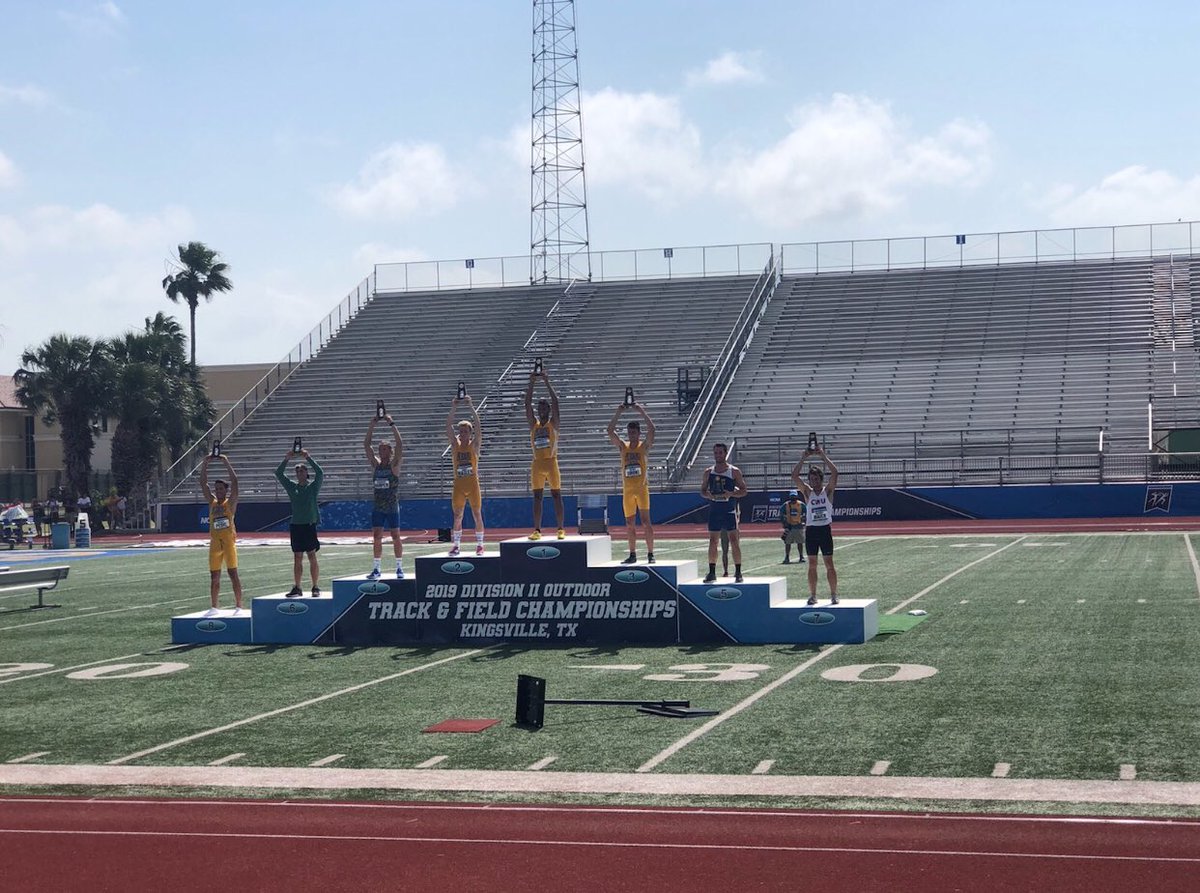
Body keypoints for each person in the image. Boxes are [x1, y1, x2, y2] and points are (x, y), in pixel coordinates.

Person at [607, 401, 656, 564]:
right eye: (629, 433)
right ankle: (633, 553)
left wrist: (641, 411)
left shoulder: (644, 447)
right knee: (629, 523)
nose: (631, 435)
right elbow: (610, 431)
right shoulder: (623, 447)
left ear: (638, 433)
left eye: (634, 433)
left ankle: (650, 554)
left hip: (642, 489)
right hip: (628, 491)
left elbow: (652, 430)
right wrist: (618, 412)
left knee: (646, 522)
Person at [792, 446, 839, 605]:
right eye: (812, 479)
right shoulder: (807, 492)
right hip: (811, 532)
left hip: (825, 531)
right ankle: (813, 595)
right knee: (812, 565)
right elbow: (795, 476)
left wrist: (823, 456)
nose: (814, 482)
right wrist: (803, 458)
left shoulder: (828, 492)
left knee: (829, 564)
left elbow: (835, 473)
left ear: (821, 479)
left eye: (817, 479)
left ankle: (834, 595)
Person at [275, 447, 324, 596]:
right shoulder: (292, 487)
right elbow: (279, 474)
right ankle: (297, 587)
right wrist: (287, 458)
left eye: (302, 471)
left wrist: (308, 457)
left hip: (308, 524)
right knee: (297, 556)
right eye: (297, 472)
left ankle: (315, 586)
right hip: (296, 525)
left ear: (306, 473)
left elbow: (320, 473)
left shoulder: (312, 487)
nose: (299, 473)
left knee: (311, 555)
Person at [524, 367, 564, 540]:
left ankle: (561, 529)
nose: (541, 411)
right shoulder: (534, 424)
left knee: (556, 495)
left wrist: (546, 381)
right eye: (539, 408)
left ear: (548, 410)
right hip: (537, 464)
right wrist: (531, 382)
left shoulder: (553, 423)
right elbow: (527, 404)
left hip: (551, 462)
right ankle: (537, 530)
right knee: (537, 497)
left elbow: (556, 403)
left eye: (543, 408)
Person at [200, 453, 243, 612]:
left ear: (225, 490)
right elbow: (203, 483)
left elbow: (235, 482)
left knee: (233, 574)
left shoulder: (230, 503)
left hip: (228, 543)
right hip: (215, 544)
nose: (217, 491)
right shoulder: (212, 502)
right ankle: (214, 606)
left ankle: (238, 605)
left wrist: (226, 461)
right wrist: (205, 463)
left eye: (220, 489)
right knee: (214, 576)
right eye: (216, 489)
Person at [364, 413, 404, 579]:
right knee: (376, 537)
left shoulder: (394, 465)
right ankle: (376, 568)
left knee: (395, 536)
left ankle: (399, 567)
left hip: (392, 507)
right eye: (380, 449)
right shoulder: (376, 465)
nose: (382, 451)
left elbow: (400, 445)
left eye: (385, 448)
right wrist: (372, 425)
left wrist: (391, 423)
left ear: (390, 451)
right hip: (378, 507)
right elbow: (366, 446)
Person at [701, 443, 748, 583]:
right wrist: (708, 495)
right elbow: (702, 491)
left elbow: (744, 490)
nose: (718, 455)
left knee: (734, 540)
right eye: (716, 453)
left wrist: (732, 493)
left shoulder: (734, 471)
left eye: (720, 453)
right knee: (713, 541)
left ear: (725, 453)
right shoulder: (708, 472)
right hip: (715, 510)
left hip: (729, 509)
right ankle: (712, 571)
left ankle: (738, 572)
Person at [446, 394, 486, 557]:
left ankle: (480, 545)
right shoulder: (455, 445)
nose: (461, 434)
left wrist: (470, 406)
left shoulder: (474, 445)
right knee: (458, 515)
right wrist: (454, 407)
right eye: (460, 431)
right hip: (459, 486)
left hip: (472, 485)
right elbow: (448, 426)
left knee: (477, 514)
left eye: (464, 431)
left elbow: (478, 426)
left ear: (469, 433)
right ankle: (456, 545)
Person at [781, 489, 807, 564]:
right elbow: (781, 514)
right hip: (790, 526)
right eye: (792, 497)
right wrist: (784, 523)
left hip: (798, 526)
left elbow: (806, 513)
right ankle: (787, 557)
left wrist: (804, 522)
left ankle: (801, 556)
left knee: (800, 542)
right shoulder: (786, 505)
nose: (793, 499)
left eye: (794, 497)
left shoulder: (801, 505)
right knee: (788, 543)